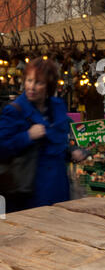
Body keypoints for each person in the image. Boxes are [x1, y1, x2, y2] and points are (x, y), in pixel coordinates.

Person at [0, 57, 87, 213]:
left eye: (38, 83)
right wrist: (27, 136)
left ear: (48, 87)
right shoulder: (14, 111)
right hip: (28, 192)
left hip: (58, 187)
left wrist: (71, 152)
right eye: (29, 80)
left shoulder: (57, 107)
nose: (31, 87)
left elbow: (57, 143)